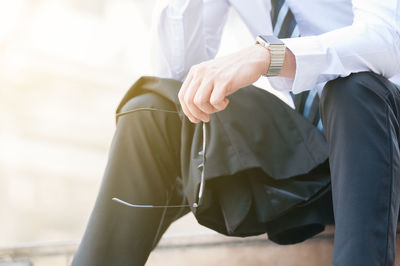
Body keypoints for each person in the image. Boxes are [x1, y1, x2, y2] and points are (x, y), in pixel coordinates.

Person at [71, 0, 400, 265]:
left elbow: (387, 38)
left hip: (385, 148)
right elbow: (179, 81)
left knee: (352, 90)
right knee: (155, 112)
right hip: (320, 161)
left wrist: (269, 55)